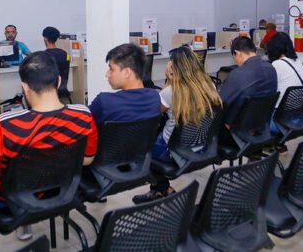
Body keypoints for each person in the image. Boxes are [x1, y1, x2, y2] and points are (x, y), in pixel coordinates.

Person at [0, 52, 97, 240]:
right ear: (59, 80)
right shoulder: (84, 115)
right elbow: (87, 159)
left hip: (8, 197)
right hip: (60, 188)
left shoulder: (6, 125)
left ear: (24, 87)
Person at [132, 46, 222, 204]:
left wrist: (168, 81)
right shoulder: (210, 86)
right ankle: (162, 188)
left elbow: (152, 114)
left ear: (175, 68)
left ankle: (160, 188)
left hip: (172, 151)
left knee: (141, 143)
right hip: (200, 145)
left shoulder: (170, 92)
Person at [88, 43, 161, 126]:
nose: (107, 74)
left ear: (126, 73)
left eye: (111, 69)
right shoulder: (154, 97)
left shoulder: (104, 102)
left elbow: (81, 120)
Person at [219, 36, 277, 126]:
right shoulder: (271, 69)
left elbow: (221, 102)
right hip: (262, 125)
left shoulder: (237, 74)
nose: (235, 62)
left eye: (234, 57)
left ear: (237, 53)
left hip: (237, 127)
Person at [266, 32, 303, 154]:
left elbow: (269, 92)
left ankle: (257, 152)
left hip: (280, 120)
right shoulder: (298, 62)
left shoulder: (277, 65)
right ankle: (279, 145)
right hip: (298, 116)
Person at [42, 26, 71, 96]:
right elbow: (68, 61)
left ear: (45, 38)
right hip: (63, 88)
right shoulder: (65, 54)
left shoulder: (43, 55)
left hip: (48, 90)